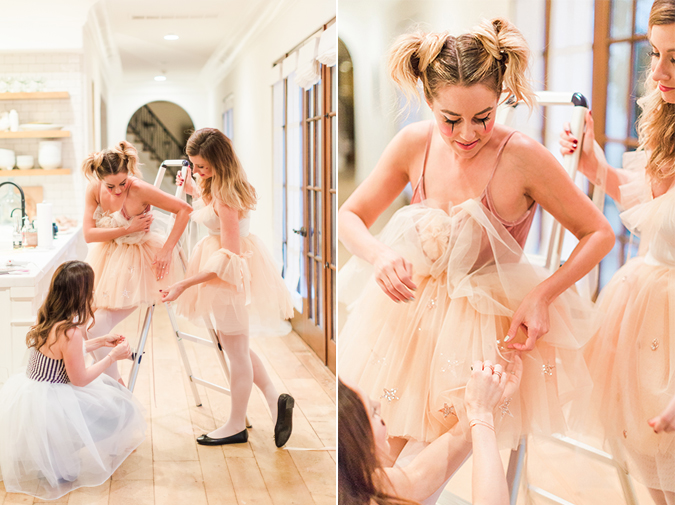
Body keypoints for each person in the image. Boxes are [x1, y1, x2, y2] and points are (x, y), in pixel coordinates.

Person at [338, 17, 614, 461]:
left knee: (421, 466)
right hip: (407, 321)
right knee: (372, 456)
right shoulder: (414, 143)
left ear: (501, 99)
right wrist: (380, 254)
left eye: (482, 118)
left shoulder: (521, 156)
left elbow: (599, 233)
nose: (466, 134)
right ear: (429, 101)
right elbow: (349, 215)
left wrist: (544, 294)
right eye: (451, 120)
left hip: (483, 332)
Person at [560, 1, 675, 502]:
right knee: (652, 472)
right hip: (643, 316)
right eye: (655, 54)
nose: (661, 73)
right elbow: (652, 203)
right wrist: (592, 166)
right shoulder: (666, 123)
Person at [161, 128, 295, 447]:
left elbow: (229, 258)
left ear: (220, 162)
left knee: (235, 351)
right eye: (194, 165)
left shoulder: (226, 196)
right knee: (236, 347)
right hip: (221, 274)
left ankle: (236, 424)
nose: (198, 171)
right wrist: (194, 188)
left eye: (203, 166)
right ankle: (276, 400)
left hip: (227, 277)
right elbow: (211, 213)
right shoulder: (215, 185)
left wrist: (184, 283)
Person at [0, 261, 146, 500]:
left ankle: (55, 454)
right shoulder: (71, 332)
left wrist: (98, 342)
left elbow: (63, 354)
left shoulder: (48, 319)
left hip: (34, 393)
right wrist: (112, 357)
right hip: (54, 401)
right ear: (82, 295)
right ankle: (62, 450)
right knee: (123, 408)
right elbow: (79, 379)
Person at [339, 355, 522, 505]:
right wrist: (482, 415)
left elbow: (415, 480)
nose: (379, 405)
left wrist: (482, 406)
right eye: (373, 412)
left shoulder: (356, 479)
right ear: (355, 438)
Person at [82, 140, 191, 385]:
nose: (119, 190)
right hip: (105, 259)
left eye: (123, 182)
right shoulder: (93, 190)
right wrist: (126, 228)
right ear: (100, 178)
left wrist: (166, 250)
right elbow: (88, 234)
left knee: (94, 328)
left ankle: (116, 388)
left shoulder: (139, 188)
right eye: (111, 186)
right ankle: (100, 385)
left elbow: (184, 210)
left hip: (139, 262)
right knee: (84, 326)